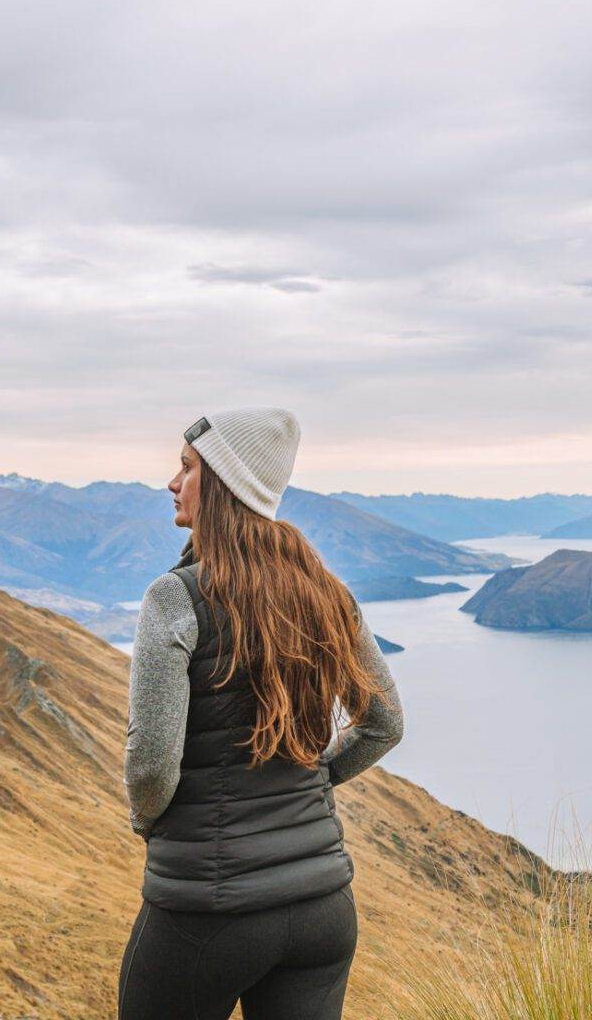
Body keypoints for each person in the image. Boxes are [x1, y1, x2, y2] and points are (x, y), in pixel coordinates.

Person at [119, 407, 404, 1020]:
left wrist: (151, 825)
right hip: (323, 909)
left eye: (187, 467)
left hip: (206, 912)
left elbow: (151, 765)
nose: (172, 482)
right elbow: (385, 724)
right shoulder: (326, 591)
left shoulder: (176, 596)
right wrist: (315, 777)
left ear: (223, 484)